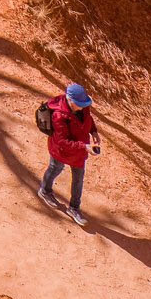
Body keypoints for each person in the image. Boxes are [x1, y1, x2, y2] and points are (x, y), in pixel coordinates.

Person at [36, 81, 101, 224]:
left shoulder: (82, 106)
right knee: (54, 169)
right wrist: (85, 147)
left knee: (78, 179)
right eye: (79, 104)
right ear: (69, 100)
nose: (83, 106)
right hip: (61, 151)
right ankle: (45, 191)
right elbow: (62, 141)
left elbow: (88, 119)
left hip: (78, 153)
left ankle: (74, 208)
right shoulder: (59, 115)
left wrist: (94, 131)